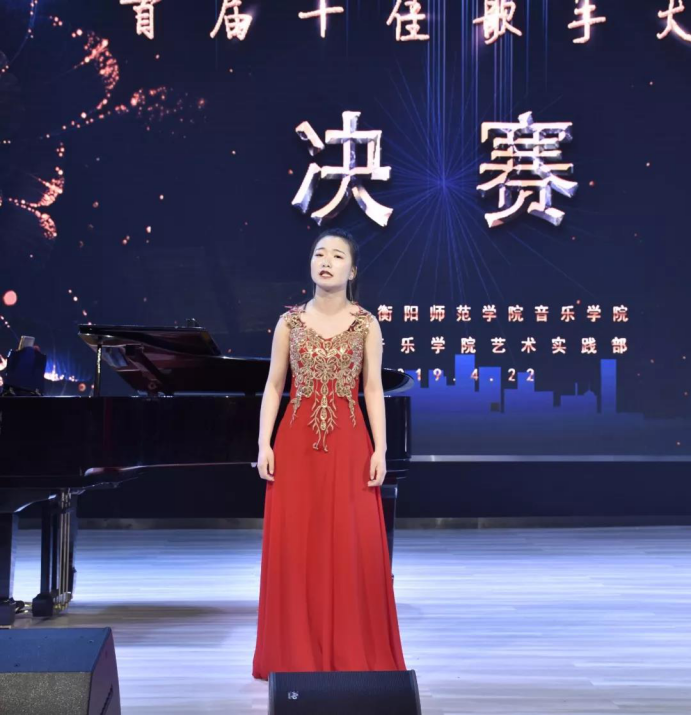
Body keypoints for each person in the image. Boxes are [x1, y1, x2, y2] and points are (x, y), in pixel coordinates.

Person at [252, 228, 407, 680]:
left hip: (350, 445)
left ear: (352, 271)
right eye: (320, 253)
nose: (326, 261)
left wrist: (381, 448)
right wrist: (263, 442)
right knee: (296, 547)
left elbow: (373, 389)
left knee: (350, 546)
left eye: (337, 256)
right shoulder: (289, 323)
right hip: (295, 445)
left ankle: (349, 652)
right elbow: (274, 386)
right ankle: (294, 654)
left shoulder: (367, 324)